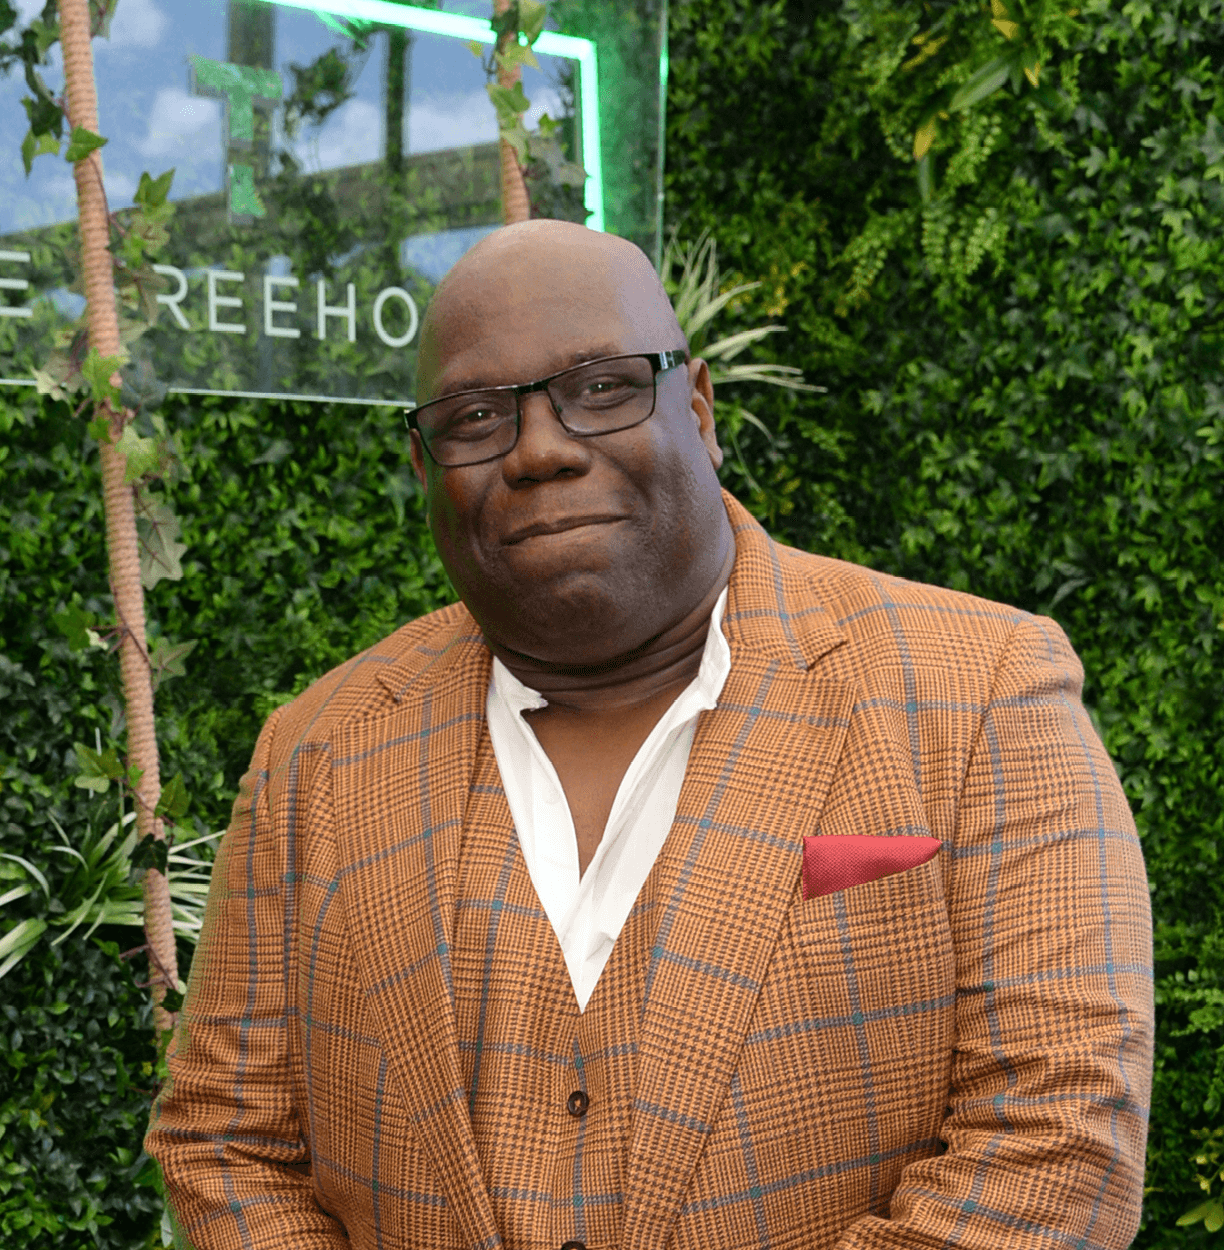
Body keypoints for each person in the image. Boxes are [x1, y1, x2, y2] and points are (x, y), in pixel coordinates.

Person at [146, 220, 1153, 1250]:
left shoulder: (981, 690)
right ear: (422, 462)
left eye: (600, 386)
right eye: (475, 414)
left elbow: (1055, 1143)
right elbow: (226, 1143)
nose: (538, 447)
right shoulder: (315, 753)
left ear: (699, 407)